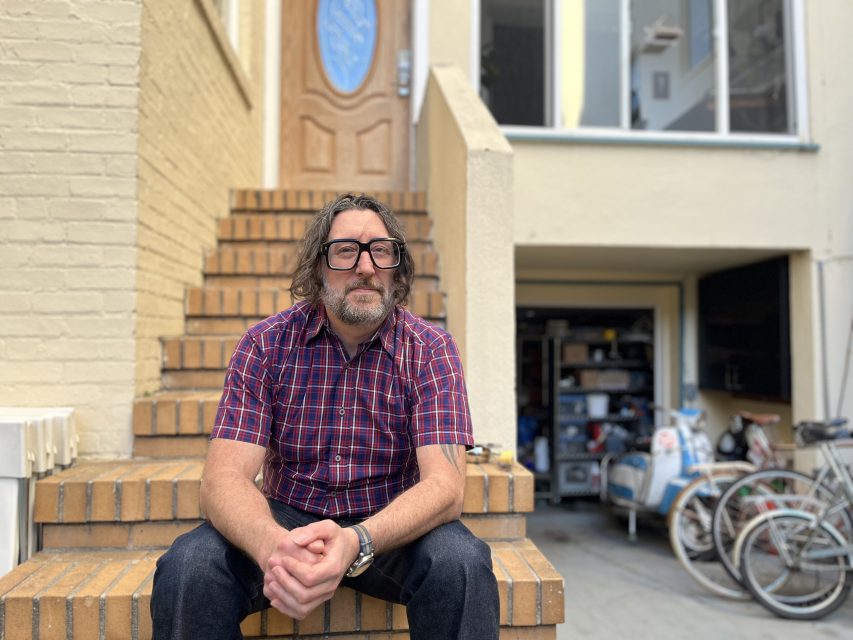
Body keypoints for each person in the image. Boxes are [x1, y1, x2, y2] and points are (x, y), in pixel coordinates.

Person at [151, 193, 500, 639]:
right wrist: (274, 547)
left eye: (381, 250)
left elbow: (445, 487)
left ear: (397, 267)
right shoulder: (265, 345)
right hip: (286, 517)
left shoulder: (431, 350)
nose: (366, 267)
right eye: (345, 251)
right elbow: (222, 480)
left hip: (389, 523)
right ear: (318, 267)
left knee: (463, 565)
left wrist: (357, 541)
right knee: (189, 569)